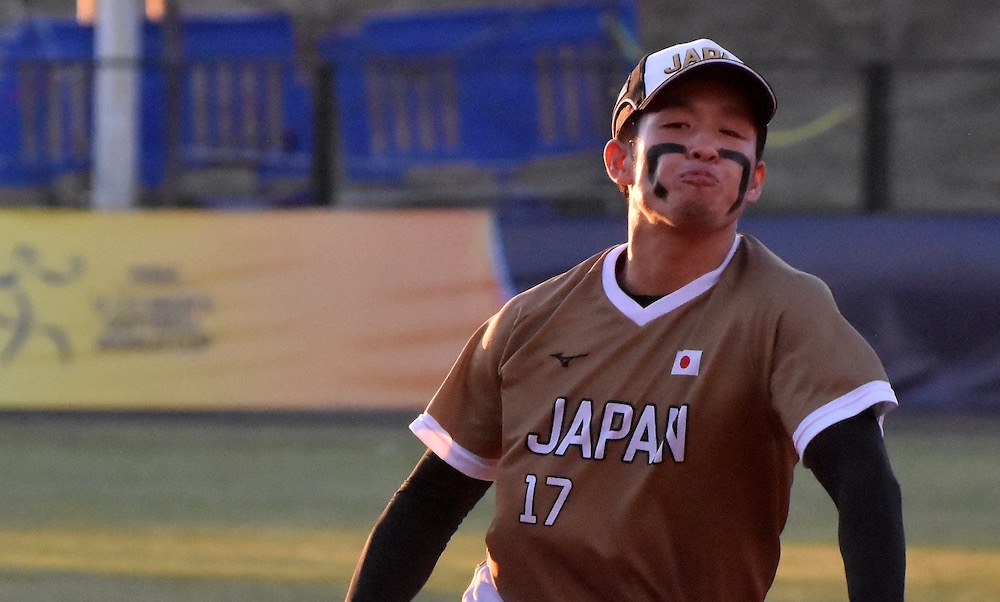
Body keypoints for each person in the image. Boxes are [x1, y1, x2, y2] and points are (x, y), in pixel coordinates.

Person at [346, 38, 905, 601]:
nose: (705, 149)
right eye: (679, 128)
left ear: (755, 178)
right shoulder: (528, 322)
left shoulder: (785, 311)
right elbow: (428, 504)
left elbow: (865, 488)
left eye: (730, 134)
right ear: (621, 161)